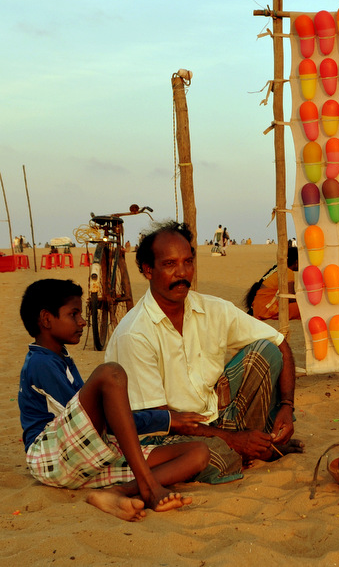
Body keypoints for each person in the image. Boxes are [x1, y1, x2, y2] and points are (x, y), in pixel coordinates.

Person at [105, 222, 303, 484]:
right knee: (216, 460)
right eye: (170, 264)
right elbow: (160, 420)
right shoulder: (135, 333)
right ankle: (254, 447)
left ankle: (255, 444)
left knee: (265, 351)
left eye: (188, 262)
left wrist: (287, 407)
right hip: (162, 431)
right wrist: (232, 439)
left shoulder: (212, 309)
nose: (182, 273)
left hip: (214, 416)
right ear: (147, 270)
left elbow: (280, 343)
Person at [18, 279, 209, 521]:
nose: (82, 322)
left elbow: (95, 422)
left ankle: (118, 491)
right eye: (73, 314)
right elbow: (98, 419)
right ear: (46, 319)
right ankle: (149, 488)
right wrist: (166, 419)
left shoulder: (60, 358)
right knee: (111, 373)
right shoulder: (41, 363)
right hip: (51, 457)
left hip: (83, 454)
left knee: (197, 453)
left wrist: (166, 420)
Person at [244, 245, 301, 320]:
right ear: (296, 261)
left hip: (259, 308)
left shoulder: (278, 269)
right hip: (266, 309)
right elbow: (290, 297)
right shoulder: (287, 272)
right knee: (302, 308)